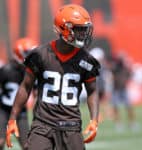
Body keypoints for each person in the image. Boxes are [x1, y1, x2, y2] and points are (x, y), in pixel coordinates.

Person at [6, 4, 101, 150]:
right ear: (63, 28)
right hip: (43, 125)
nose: (83, 33)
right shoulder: (40, 54)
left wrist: (94, 120)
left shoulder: (86, 60)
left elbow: (92, 91)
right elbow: (26, 86)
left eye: (84, 29)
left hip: (71, 126)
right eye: (78, 29)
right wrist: (12, 118)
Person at [0, 37, 38, 150]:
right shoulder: (6, 70)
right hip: (3, 110)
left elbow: (37, 92)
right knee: (0, 141)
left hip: (21, 112)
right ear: (19, 53)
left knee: (27, 145)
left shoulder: (32, 72)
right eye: (28, 53)